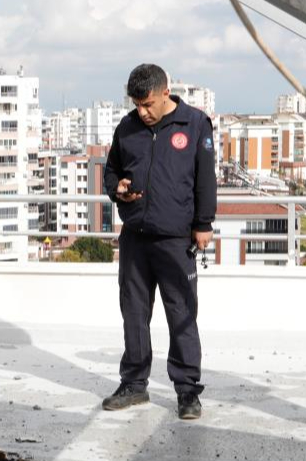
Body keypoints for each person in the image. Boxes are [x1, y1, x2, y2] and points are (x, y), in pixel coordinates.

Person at [101, 63, 217, 420]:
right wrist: (116, 189)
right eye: (137, 104)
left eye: (148, 104)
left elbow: (205, 179)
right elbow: (111, 170)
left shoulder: (195, 124)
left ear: (165, 93)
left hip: (176, 238)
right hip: (135, 236)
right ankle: (134, 384)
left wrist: (203, 223)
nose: (142, 112)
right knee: (134, 313)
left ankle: (187, 392)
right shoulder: (127, 126)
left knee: (181, 313)